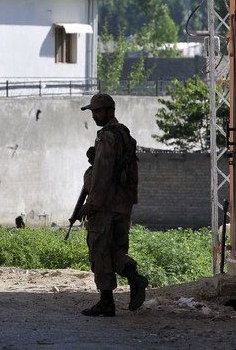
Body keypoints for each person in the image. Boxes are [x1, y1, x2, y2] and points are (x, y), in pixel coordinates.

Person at [77, 92, 147, 317]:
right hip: (122, 205)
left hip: (106, 206)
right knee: (115, 249)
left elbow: (102, 175)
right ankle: (132, 275)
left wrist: (91, 204)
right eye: (93, 112)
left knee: (99, 251)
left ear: (110, 111)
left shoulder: (107, 137)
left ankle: (106, 302)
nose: (94, 116)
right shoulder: (124, 134)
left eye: (98, 111)